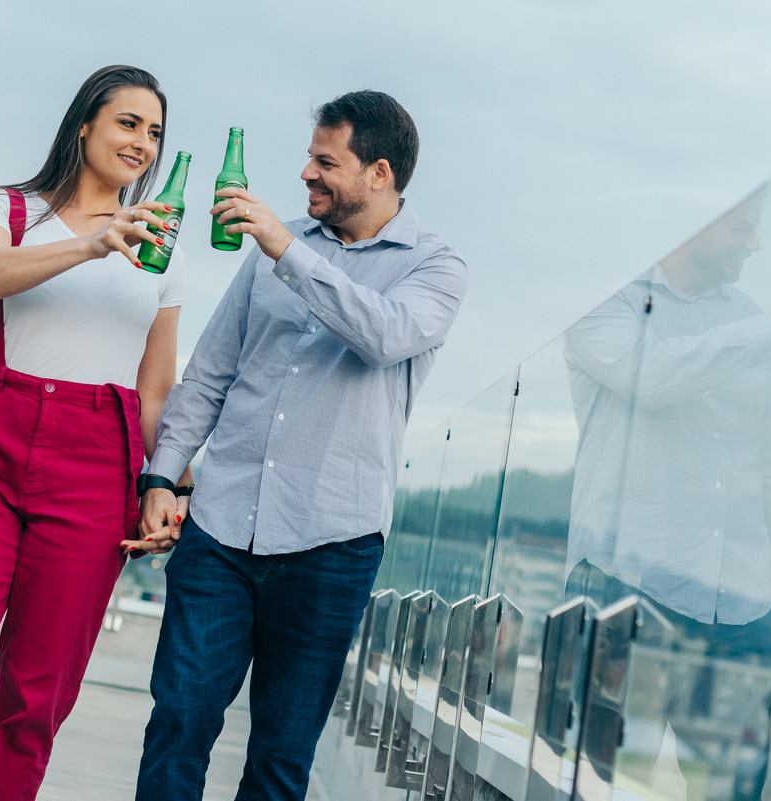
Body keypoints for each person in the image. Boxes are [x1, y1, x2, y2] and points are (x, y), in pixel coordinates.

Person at [133, 90, 467, 801]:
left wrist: (285, 249)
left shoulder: (435, 268)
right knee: (179, 721)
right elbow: (211, 373)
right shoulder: (269, 254)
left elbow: (383, 335)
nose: (306, 174)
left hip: (332, 545)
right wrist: (161, 478)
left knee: (281, 757)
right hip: (220, 529)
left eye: (326, 161)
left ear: (379, 173)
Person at [0, 65, 191, 801]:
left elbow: (155, 388)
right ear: (84, 122)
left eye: (154, 132)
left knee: (36, 699)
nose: (142, 144)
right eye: (128, 123)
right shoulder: (9, 206)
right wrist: (91, 242)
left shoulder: (161, 245)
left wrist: (169, 484)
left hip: (102, 457)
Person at [562, 195, 771, 799]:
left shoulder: (747, 319)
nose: (755, 244)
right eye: (744, 228)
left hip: (740, 606)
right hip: (627, 593)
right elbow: (651, 376)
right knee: (604, 787)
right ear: (691, 221)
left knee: (758, 783)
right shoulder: (603, 301)